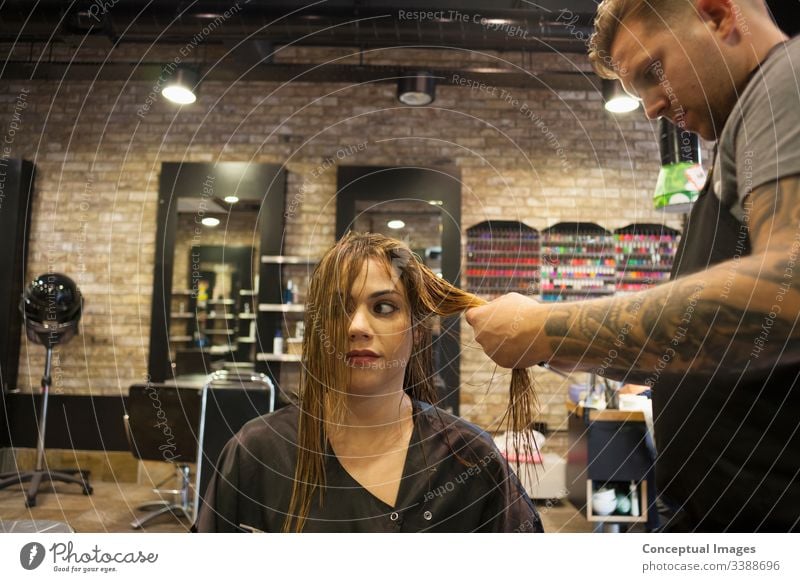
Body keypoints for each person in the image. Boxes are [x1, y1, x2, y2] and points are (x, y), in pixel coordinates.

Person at [467, 0, 800, 532]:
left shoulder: (786, 81)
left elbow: (790, 293)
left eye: (653, 72)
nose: (649, 107)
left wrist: (544, 330)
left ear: (716, 14)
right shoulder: (739, 147)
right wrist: (553, 342)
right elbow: (682, 347)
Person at [196, 232, 543, 532]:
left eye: (384, 307)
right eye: (339, 308)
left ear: (418, 330)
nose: (356, 327)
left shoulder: (469, 460)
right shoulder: (257, 453)